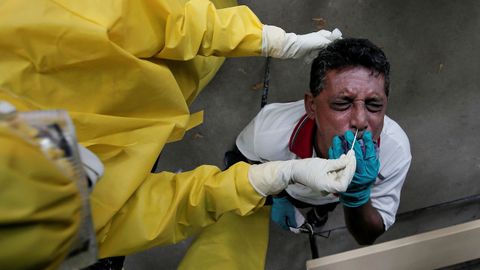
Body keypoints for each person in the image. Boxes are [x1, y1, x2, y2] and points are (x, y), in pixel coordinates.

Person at [0, 0, 355, 269]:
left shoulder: (22, 28)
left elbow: (155, 17)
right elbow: (159, 210)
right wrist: (265, 179)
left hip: (150, 63)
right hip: (156, 104)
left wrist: (260, 38)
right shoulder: (40, 242)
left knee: (207, 22)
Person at [178, 38, 411, 269]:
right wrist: (276, 195)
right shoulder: (269, 131)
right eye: (342, 103)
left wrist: (356, 195)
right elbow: (241, 159)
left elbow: (368, 235)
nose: (360, 121)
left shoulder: (395, 152)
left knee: (325, 202)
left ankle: (321, 209)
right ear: (311, 105)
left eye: (374, 105)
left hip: (332, 197)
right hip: (288, 190)